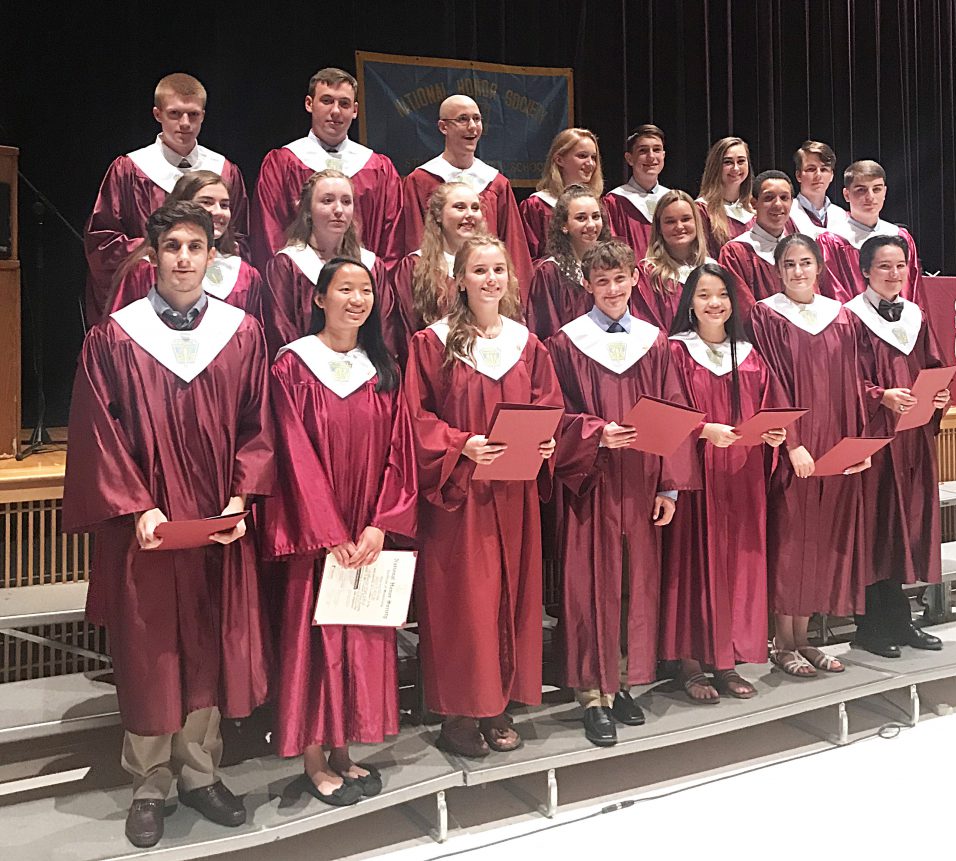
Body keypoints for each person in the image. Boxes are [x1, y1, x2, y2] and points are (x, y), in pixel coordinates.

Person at [62, 202, 273, 848]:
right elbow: (99, 431)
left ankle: (201, 771)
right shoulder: (116, 337)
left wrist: (244, 494)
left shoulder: (241, 334)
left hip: (214, 524)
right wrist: (137, 505)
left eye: (195, 246)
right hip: (147, 529)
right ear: (152, 256)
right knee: (151, 651)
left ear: (213, 255)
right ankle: (149, 781)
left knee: (206, 641)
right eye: (173, 246)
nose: (184, 258)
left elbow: (257, 424)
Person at [262, 256, 416, 806]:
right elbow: (292, 455)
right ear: (319, 298)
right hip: (318, 535)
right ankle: (312, 756)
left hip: (368, 532)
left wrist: (381, 523)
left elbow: (402, 451)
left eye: (366, 290)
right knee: (315, 638)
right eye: (344, 289)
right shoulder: (292, 368)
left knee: (361, 636)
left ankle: (345, 748)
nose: (357, 299)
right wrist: (329, 531)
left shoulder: (384, 369)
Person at [404, 235, 562, 757]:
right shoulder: (433, 343)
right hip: (460, 496)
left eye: (498, 270)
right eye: (479, 271)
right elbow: (415, 419)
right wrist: (460, 444)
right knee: (464, 604)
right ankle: (459, 714)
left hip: (513, 492)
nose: (490, 279)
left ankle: (498, 704)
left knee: (511, 597)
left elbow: (548, 407)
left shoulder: (527, 344)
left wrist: (545, 442)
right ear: (459, 281)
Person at [546, 239, 699, 746]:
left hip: (640, 481)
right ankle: (594, 693)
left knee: (636, 583)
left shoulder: (654, 343)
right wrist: (594, 433)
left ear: (635, 279)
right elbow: (554, 413)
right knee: (592, 586)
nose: (612, 290)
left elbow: (673, 410)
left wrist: (670, 487)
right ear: (587, 285)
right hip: (590, 484)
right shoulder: (567, 343)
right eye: (602, 281)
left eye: (620, 279)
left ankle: (627, 680)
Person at [661, 263, 787, 701]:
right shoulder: (674, 352)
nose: (714, 303)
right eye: (703, 295)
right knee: (696, 566)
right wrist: (702, 430)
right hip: (696, 477)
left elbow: (771, 407)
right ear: (689, 304)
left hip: (743, 476)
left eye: (721, 295)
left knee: (739, 567)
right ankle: (693, 665)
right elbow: (667, 414)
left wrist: (775, 433)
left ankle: (728, 662)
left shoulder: (750, 355)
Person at [749, 233, 872, 679]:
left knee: (823, 541)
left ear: (819, 268)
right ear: (777, 270)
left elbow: (854, 383)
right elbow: (771, 383)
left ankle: (809, 638)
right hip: (795, 452)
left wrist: (856, 446)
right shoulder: (766, 315)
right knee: (792, 541)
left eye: (805, 263)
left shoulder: (839, 316)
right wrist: (793, 442)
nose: (798, 271)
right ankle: (784, 642)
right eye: (789, 265)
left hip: (835, 446)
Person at [845, 235, 947, 657]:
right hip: (876, 437)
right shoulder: (849, 318)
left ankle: (900, 622)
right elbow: (842, 379)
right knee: (876, 529)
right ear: (865, 271)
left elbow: (934, 365)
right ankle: (870, 627)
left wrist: (941, 395)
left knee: (905, 526)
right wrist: (879, 395)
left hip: (912, 437)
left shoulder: (915, 315)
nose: (894, 274)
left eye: (900, 265)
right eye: (884, 266)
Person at [84, 73, 249, 326]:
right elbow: (103, 242)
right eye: (175, 114)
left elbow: (240, 238)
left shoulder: (224, 170)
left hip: (216, 291)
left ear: (203, 116)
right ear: (157, 114)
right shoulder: (130, 169)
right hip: (147, 293)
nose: (185, 123)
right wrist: (161, 254)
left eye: (193, 114)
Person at [251, 67, 402, 269]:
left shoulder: (379, 168)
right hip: (299, 284)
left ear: (355, 110)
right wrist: (287, 279)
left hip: (362, 288)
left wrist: (375, 284)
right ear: (309, 104)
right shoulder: (283, 163)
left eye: (344, 103)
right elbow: (269, 232)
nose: (336, 111)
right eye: (327, 101)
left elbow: (391, 241)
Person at [393, 95, 532, 296]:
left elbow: (513, 246)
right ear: (443, 127)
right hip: (439, 290)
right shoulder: (421, 180)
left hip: (489, 289)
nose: (472, 127)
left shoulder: (496, 183)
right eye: (463, 119)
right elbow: (415, 238)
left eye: (477, 119)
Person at [263, 169, 387, 358]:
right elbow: (281, 331)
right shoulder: (289, 265)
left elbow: (384, 330)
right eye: (327, 201)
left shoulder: (371, 265)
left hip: (365, 374)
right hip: (306, 377)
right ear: (308, 210)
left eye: (346, 202)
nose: (338, 210)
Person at [108, 170, 263, 317]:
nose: (218, 212)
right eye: (206, 202)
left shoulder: (244, 274)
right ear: (182, 205)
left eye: (224, 205)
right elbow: (121, 333)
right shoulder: (147, 269)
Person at [719, 171, 851, 320]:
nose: (777, 204)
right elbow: (744, 311)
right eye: (769, 198)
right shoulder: (736, 253)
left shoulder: (801, 249)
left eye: (784, 198)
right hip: (765, 338)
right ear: (754, 203)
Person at [386, 181, 485, 366]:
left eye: (475, 208)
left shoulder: (492, 266)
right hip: (436, 369)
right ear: (438, 215)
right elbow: (406, 332)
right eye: (459, 207)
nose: (469, 215)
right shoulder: (415, 266)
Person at [819, 160, 925, 306]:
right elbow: (833, 296)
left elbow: (913, 292)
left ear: (885, 192)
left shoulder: (901, 237)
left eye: (876, 189)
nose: (870, 197)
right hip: (854, 325)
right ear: (846, 194)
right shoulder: (832, 241)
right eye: (861, 190)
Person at [525, 184, 610, 341]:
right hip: (567, 360)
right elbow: (547, 333)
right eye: (581, 218)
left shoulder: (609, 269)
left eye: (596, 216)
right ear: (564, 225)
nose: (591, 225)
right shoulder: (550, 272)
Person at [633, 190, 715, 331]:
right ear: (659, 228)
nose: (679, 226)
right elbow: (647, 329)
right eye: (670, 221)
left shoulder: (712, 268)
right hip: (670, 351)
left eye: (685, 219)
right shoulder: (648, 272)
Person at [520, 128, 604, 260]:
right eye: (582, 156)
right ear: (559, 160)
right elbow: (527, 258)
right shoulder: (538, 205)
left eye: (593, 157)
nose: (590, 164)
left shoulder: (597, 205)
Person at [601, 124, 670, 260]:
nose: (651, 157)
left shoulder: (673, 200)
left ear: (663, 155)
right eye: (643, 151)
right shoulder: (614, 202)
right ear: (629, 158)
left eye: (657, 150)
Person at [696, 137, 755, 257]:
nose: (736, 168)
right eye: (728, 162)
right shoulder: (702, 209)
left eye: (741, 161)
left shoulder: (754, 208)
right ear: (715, 166)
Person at [788, 140, 847, 236]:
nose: (818, 175)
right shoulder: (788, 212)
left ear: (832, 175)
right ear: (798, 175)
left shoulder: (842, 216)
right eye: (811, 169)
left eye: (824, 169)